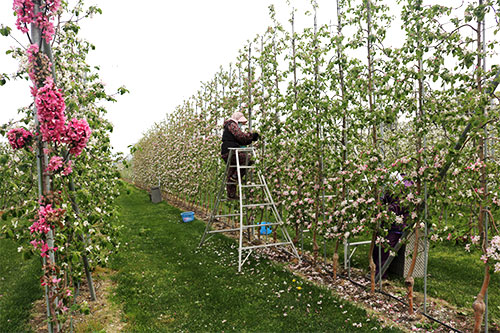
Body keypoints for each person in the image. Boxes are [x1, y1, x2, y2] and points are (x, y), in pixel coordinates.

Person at [221, 111, 260, 199]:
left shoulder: (229, 125)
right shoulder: (232, 125)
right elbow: (240, 136)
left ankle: (231, 194)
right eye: (240, 123)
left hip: (226, 152)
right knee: (247, 159)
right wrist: (251, 136)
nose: (240, 125)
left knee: (232, 169)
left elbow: (242, 140)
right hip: (230, 151)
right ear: (237, 120)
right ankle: (236, 177)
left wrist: (250, 138)